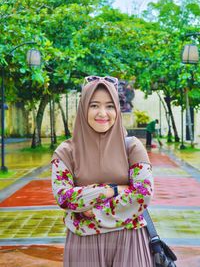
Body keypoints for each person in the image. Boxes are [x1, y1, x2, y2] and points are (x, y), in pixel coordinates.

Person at [51, 76, 154, 267]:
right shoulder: (66, 152)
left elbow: (143, 194)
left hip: (129, 241)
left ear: (117, 109)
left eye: (109, 106)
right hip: (84, 243)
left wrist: (94, 211)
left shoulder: (132, 148)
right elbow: (64, 197)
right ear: (83, 109)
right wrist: (111, 190)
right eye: (94, 105)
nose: (102, 113)